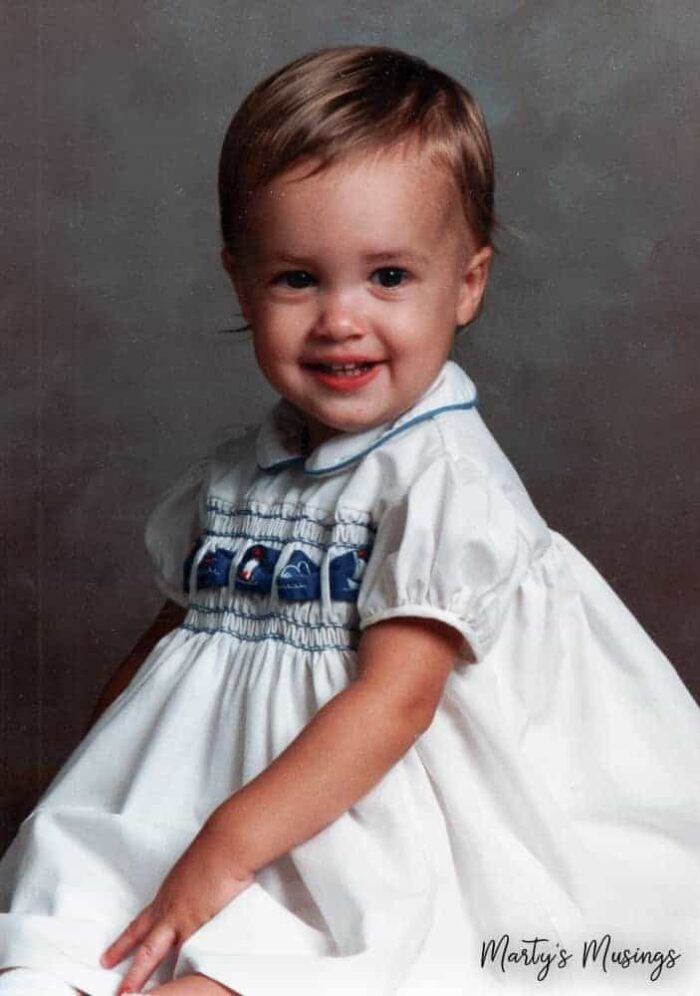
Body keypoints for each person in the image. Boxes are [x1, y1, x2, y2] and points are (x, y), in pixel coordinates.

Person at [1, 44, 698, 996]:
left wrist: (229, 847)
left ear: (467, 283)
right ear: (240, 283)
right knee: (51, 950)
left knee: (258, 968)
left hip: (361, 821)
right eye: (298, 279)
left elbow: (394, 705)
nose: (341, 319)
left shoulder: (443, 481)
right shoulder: (240, 471)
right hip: (203, 795)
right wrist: (93, 782)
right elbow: (176, 635)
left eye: (388, 278)